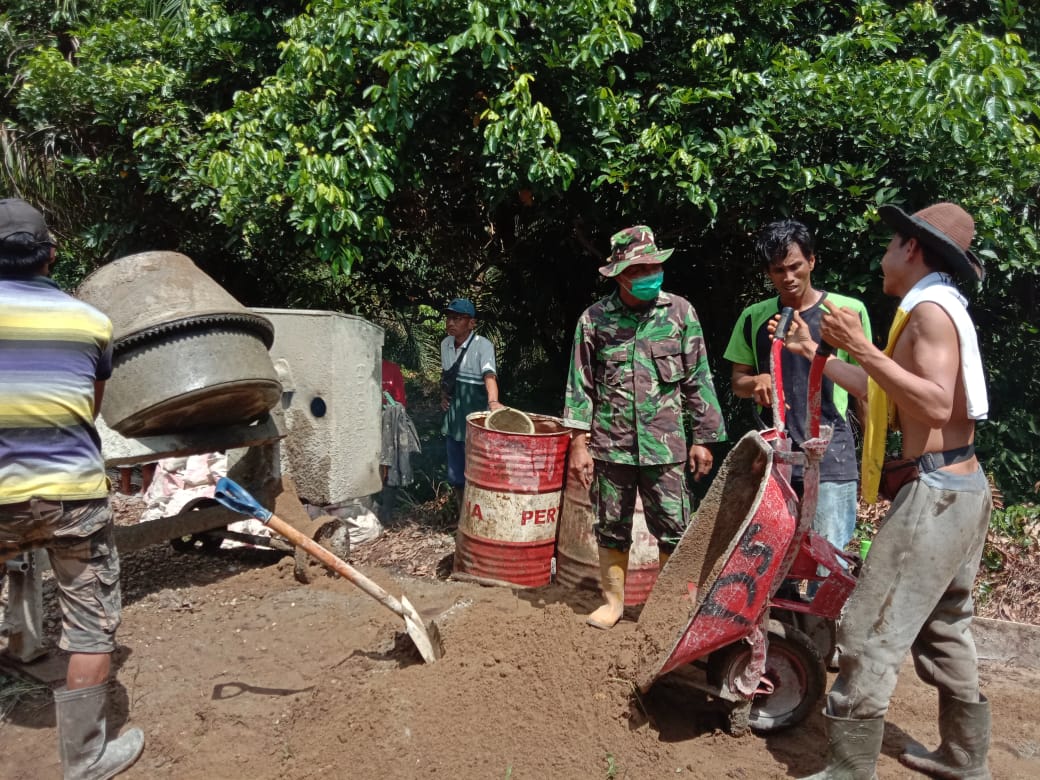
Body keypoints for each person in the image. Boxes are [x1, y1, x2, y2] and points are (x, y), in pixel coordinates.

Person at [776, 203, 991, 779]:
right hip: (963, 487)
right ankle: (965, 759)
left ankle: (849, 771)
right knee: (945, 627)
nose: (883, 257)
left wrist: (862, 346)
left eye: (891, 245)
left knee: (867, 629)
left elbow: (936, 404)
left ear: (912, 248)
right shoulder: (941, 306)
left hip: (937, 494)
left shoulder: (926, 315)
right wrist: (816, 353)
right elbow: (892, 400)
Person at [0, 198, 144, 778]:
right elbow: (89, 407)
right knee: (89, 623)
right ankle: (83, 758)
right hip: (70, 495)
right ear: (51, 254)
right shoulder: (90, 322)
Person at [563, 225, 727, 629]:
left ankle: (670, 610)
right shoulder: (594, 321)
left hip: (666, 448)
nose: (651, 273)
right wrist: (579, 445)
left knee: (674, 528)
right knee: (611, 527)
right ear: (620, 274)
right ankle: (614, 603)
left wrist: (704, 439)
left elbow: (698, 378)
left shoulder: (680, 314)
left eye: (655, 265)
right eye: (641, 269)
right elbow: (579, 385)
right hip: (611, 445)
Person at [724, 220, 871, 589]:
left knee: (827, 561)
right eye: (778, 270)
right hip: (774, 457)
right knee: (772, 564)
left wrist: (872, 457)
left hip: (831, 453)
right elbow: (737, 382)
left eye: (795, 266)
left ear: (812, 262)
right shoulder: (754, 318)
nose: (788, 277)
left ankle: (820, 639)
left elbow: (866, 388)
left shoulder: (846, 312)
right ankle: (783, 640)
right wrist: (755, 381)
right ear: (768, 273)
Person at [440, 298, 503, 497]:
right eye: (449, 318)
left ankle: (476, 513)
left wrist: (493, 402)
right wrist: (443, 396)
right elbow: (446, 375)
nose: (451, 322)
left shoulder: (482, 346)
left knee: (476, 469)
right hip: (454, 418)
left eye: (457, 318)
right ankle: (459, 516)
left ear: (471, 323)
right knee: (455, 472)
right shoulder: (445, 344)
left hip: (474, 417)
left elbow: (489, 375)